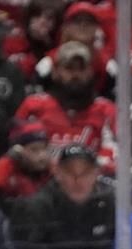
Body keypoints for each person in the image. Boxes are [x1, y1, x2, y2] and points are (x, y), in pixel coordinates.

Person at [11, 143, 116, 249]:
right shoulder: (38, 207)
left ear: (96, 173)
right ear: (58, 172)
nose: (78, 180)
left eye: (85, 172)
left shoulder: (109, 205)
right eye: (70, 172)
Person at [13, 41, 117, 173]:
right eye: (69, 68)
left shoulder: (106, 109)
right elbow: (17, 151)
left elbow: (114, 156)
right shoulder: (33, 105)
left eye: (81, 69)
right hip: (41, 182)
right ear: (55, 72)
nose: (76, 75)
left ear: (90, 72)